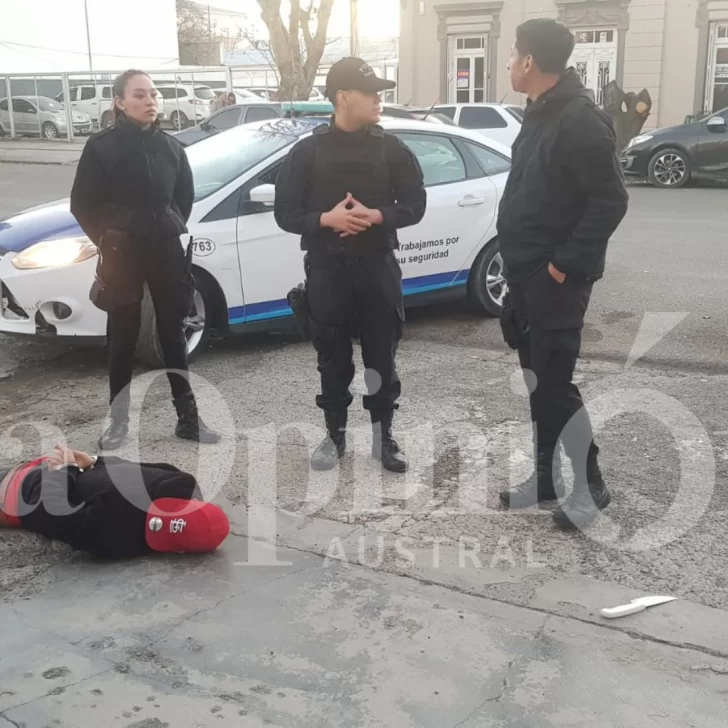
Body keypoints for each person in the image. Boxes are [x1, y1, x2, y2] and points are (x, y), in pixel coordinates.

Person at [497, 20, 629, 528]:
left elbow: (610, 202)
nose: (510, 62)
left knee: (555, 383)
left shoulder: (580, 119)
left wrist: (563, 264)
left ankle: (591, 486)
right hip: (526, 275)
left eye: (513, 54)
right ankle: (546, 478)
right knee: (538, 380)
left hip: (554, 280)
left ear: (529, 62)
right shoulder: (542, 112)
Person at [274, 58, 426, 473]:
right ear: (343, 97)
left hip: (377, 267)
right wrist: (326, 219)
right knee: (332, 357)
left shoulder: (390, 148)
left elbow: (416, 204)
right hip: (327, 270)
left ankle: (383, 438)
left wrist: (377, 215)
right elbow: (284, 212)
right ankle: (334, 435)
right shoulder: (307, 151)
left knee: (381, 356)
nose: (379, 99)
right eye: (371, 92)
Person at [70, 70, 219, 451]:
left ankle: (187, 418)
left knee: (173, 333)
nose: (150, 101)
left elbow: (181, 200)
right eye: (139, 95)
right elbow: (82, 204)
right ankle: (118, 423)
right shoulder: (101, 148)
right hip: (122, 253)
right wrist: (107, 239)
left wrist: (167, 227)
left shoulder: (171, 148)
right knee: (122, 336)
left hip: (166, 249)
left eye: (153, 94)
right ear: (120, 102)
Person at [0, 445, 229, 559]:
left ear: (179, 552)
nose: (150, 518)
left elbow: (46, 514)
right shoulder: (178, 482)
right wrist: (95, 461)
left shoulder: (115, 536)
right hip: (41, 468)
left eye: (154, 529)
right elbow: (132, 469)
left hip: (14, 493)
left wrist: (63, 470)